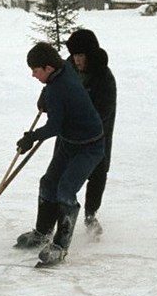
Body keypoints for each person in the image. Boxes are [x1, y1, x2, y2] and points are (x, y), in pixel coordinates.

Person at [14, 42, 104, 265]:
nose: (33, 75)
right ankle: (42, 233)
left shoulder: (59, 89)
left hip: (89, 146)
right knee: (48, 183)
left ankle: (60, 246)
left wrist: (30, 138)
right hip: (70, 142)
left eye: (36, 71)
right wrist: (45, 93)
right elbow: (62, 69)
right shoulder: (63, 68)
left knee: (65, 189)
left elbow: (54, 127)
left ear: (48, 68)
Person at [65, 29, 116, 240]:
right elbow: (54, 87)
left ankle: (90, 214)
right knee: (64, 173)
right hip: (69, 134)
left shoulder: (104, 77)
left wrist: (82, 125)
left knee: (97, 173)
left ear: (90, 54)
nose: (77, 60)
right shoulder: (67, 69)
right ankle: (59, 216)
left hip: (98, 134)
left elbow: (104, 111)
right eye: (75, 55)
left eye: (81, 55)